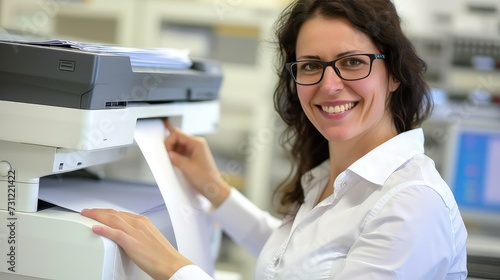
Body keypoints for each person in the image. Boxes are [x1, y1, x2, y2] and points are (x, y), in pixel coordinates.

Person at [81, 0, 468, 279]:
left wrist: (174, 269)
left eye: (352, 61)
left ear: (395, 73)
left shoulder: (411, 204)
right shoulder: (331, 179)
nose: (330, 85)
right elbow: (296, 261)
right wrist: (215, 190)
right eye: (311, 65)